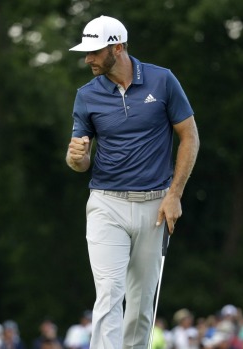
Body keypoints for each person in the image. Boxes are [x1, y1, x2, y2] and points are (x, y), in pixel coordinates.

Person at [65, 14, 200, 349]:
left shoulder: (162, 81)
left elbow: (190, 137)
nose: (88, 59)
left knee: (141, 305)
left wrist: (175, 194)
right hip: (106, 203)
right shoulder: (87, 95)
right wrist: (76, 158)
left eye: (95, 51)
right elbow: (80, 161)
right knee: (109, 292)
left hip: (155, 205)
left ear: (118, 47)